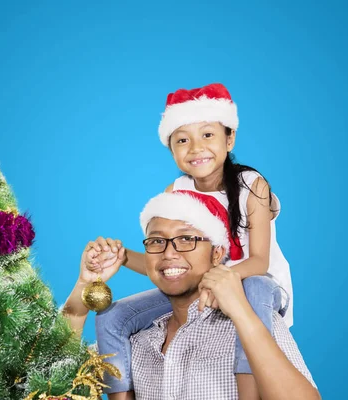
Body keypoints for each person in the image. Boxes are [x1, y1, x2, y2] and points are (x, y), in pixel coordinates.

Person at [86, 83, 294, 397]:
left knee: (254, 286)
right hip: (199, 288)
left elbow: (258, 262)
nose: (196, 148)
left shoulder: (252, 186)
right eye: (183, 140)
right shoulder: (177, 190)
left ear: (230, 138)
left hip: (256, 284)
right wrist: (123, 256)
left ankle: (249, 394)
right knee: (113, 316)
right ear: (171, 150)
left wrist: (216, 282)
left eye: (207, 135)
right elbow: (169, 265)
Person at [62, 190, 318, 400]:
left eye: (186, 239)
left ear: (217, 254)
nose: (169, 253)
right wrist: (85, 283)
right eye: (156, 241)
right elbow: (52, 375)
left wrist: (240, 312)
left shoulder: (253, 325)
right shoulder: (134, 343)